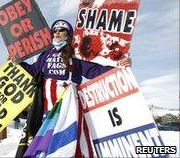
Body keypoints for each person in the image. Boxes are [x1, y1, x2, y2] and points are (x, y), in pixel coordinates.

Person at [15, 19, 131, 157]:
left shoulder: (75, 54)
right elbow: (33, 70)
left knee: (66, 142)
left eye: (61, 30)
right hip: (47, 108)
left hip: (68, 107)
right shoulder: (45, 54)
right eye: (55, 30)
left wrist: (119, 67)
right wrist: (18, 62)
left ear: (68, 34)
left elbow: (93, 70)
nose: (57, 32)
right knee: (45, 143)